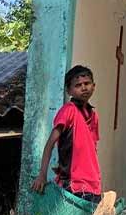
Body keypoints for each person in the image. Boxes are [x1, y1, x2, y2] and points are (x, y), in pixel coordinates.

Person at [31, 65, 102, 203]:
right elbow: (50, 144)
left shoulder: (93, 116)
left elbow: (92, 150)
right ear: (69, 90)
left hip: (93, 185)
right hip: (74, 185)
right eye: (78, 85)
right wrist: (42, 175)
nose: (84, 88)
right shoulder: (68, 111)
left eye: (87, 83)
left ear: (93, 86)